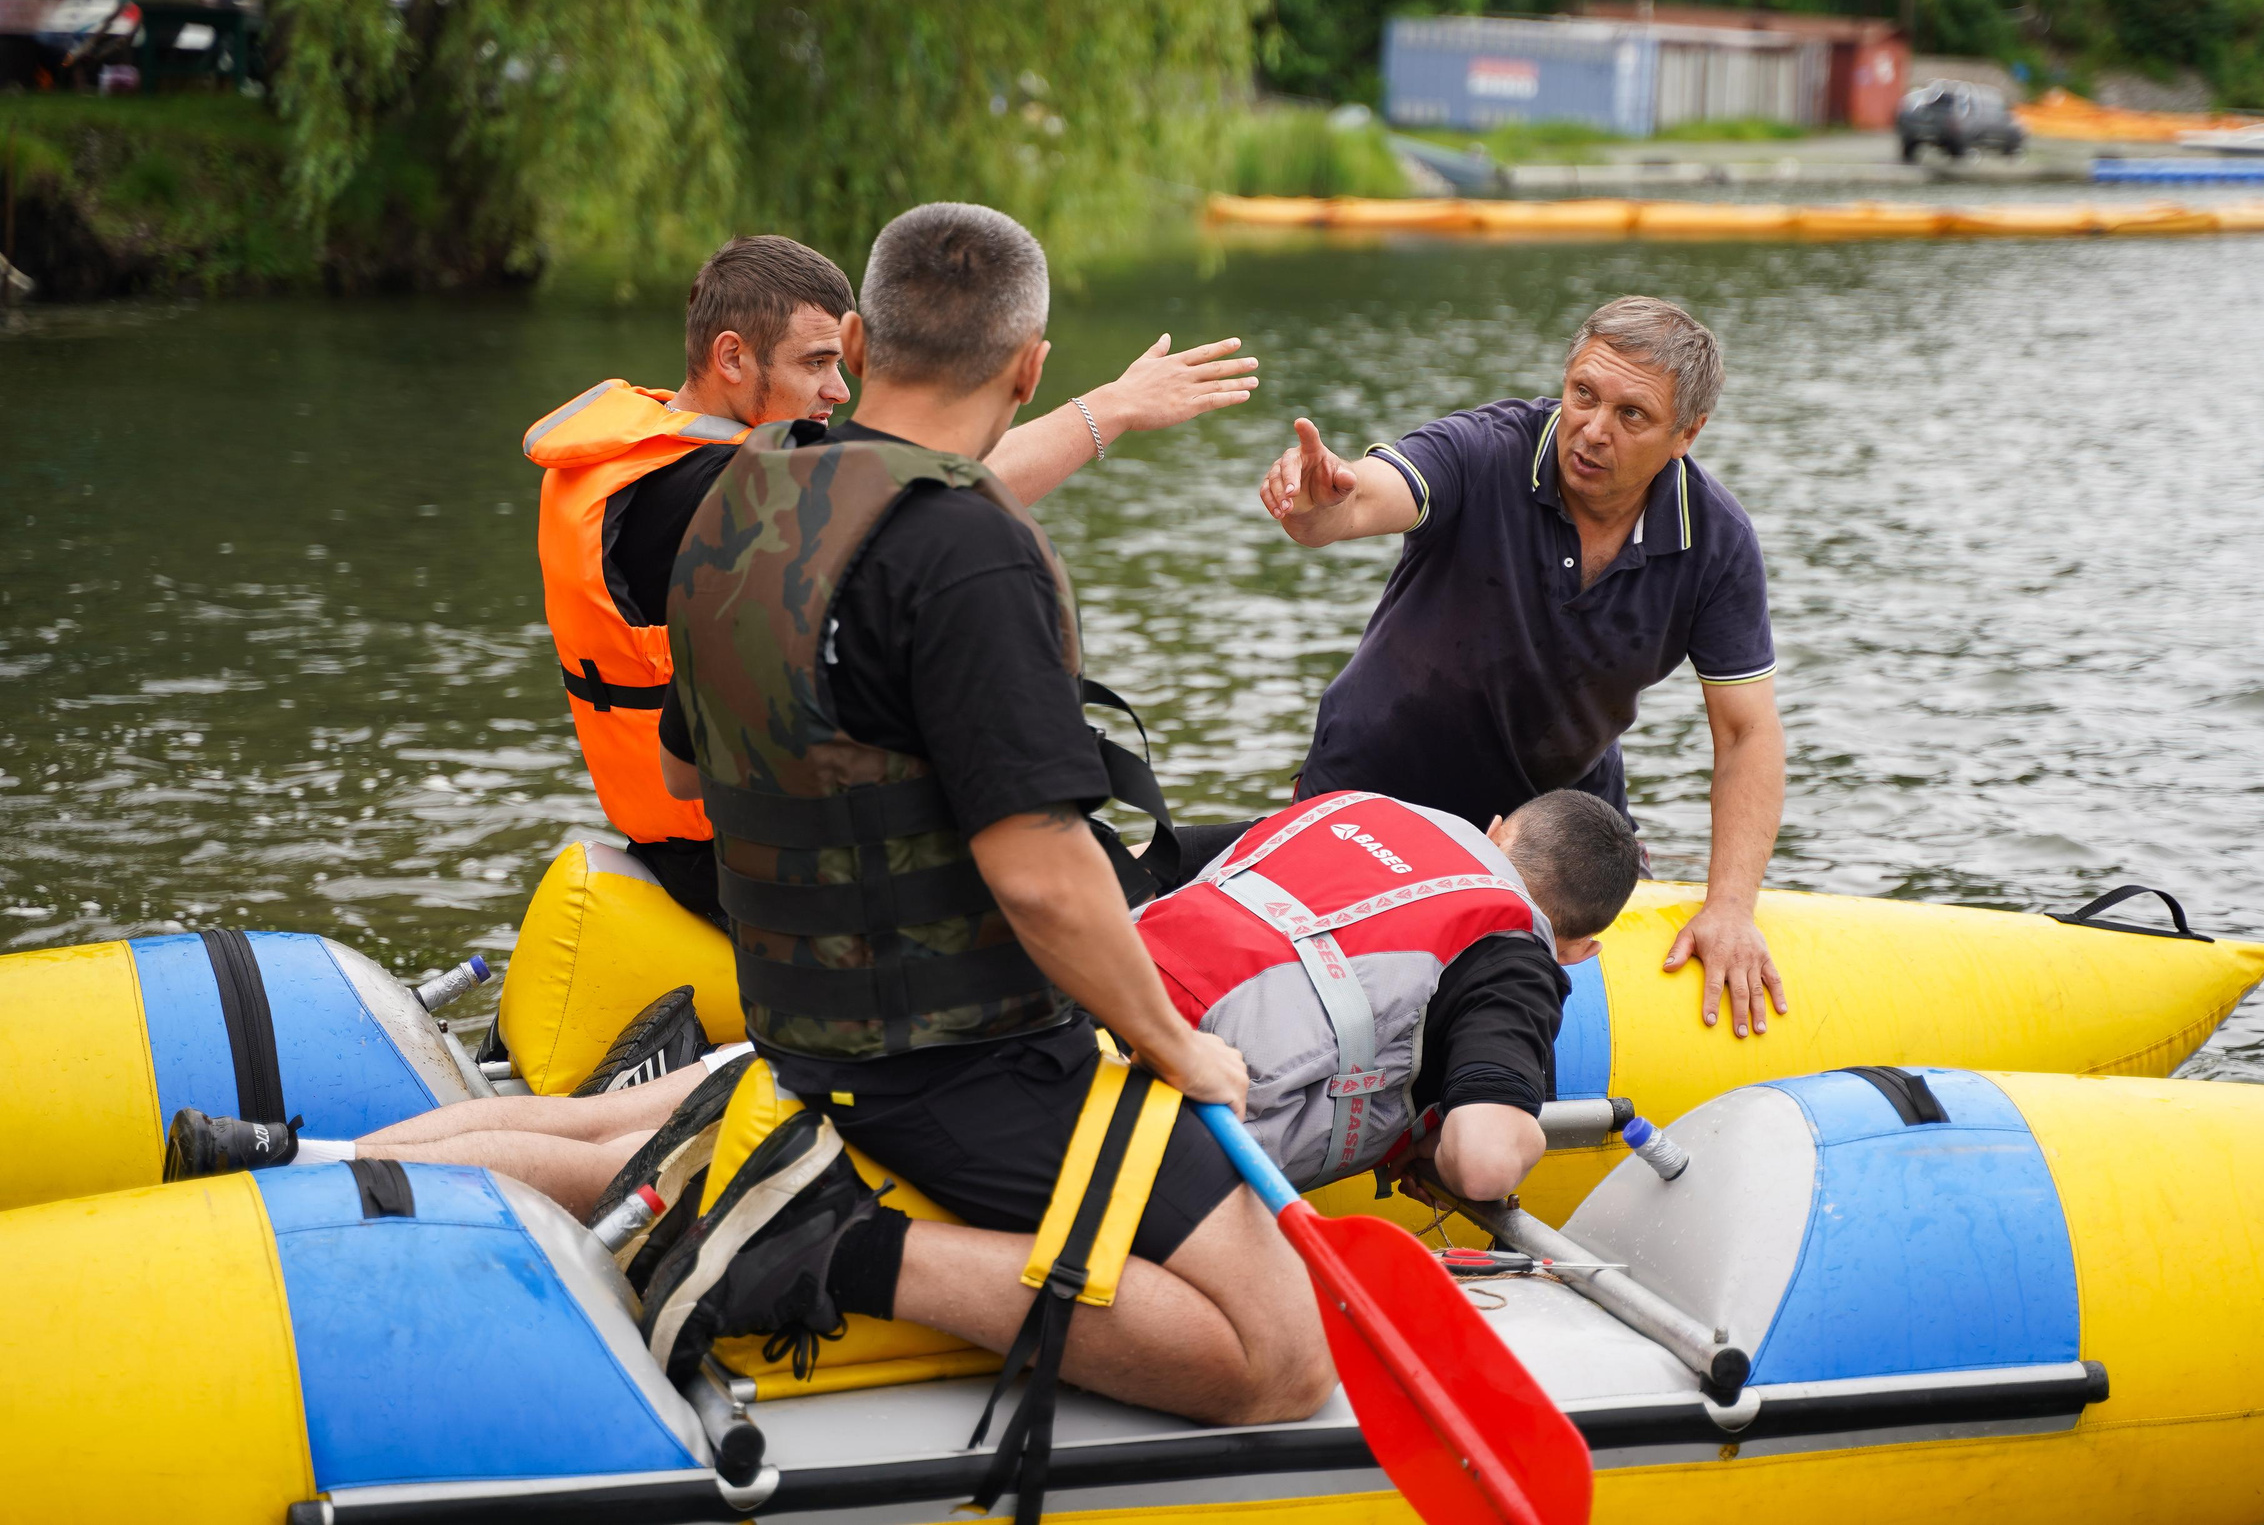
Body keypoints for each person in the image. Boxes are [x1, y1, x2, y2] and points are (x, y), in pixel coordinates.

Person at [653, 200, 1327, 1438]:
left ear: (854, 340)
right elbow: (1038, 873)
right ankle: (834, 1245)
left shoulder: (738, 497)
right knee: (1279, 1356)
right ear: (1029, 367)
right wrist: (1173, 1048)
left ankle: (819, 1198)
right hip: (960, 1071)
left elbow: (692, 778)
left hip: (804, 1033)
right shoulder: (967, 546)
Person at [162, 789, 1641, 1217]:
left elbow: (1120, 856)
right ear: (1572, 945)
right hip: (1079, 1090)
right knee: (654, 1149)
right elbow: (1488, 1157)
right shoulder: (1511, 950)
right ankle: (304, 1184)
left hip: (986, 989)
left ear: (1501, 817)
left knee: (620, 1106)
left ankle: (301, 1152)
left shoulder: (1347, 807)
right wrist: (1445, 1118)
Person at [524, 233, 1258, 924]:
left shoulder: (628, 459)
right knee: (1231, 851)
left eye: (839, 362)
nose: (837, 391)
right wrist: (1112, 409)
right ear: (731, 357)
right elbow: (943, 485)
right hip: (759, 870)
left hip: (701, 842)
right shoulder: (726, 491)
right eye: (815, 364)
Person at [1258, 294, 1789, 1038]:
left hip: (1551, 841)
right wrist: (1325, 509)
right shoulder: (1488, 448)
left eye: (1631, 415)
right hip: (1373, 794)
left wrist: (1730, 905)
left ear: (1687, 433)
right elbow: (1375, 494)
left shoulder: (1718, 541)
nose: (1593, 430)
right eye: (1583, 395)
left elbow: (1746, 734)